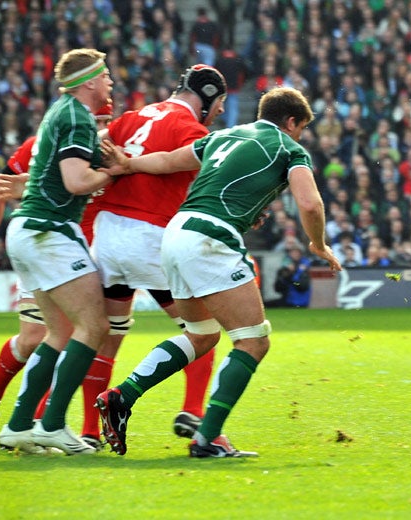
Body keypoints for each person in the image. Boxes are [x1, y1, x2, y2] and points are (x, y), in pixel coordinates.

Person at [96, 86, 342, 458]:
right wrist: (319, 244)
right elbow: (309, 202)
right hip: (210, 238)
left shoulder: (222, 135)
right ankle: (207, 437)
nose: (300, 135)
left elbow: (167, 162)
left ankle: (121, 395)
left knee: (201, 334)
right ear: (292, 122)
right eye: (301, 128)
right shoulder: (289, 149)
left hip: (177, 231)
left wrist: (128, 164)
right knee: (253, 340)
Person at [85, 64, 230, 445]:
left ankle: (88, 432)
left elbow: (95, 153)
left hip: (108, 235)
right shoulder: (191, 131)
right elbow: (211, 185)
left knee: (109, 337)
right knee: (203, 330)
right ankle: (194, 412)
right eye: (220, 104)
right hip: (151, 237)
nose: (220, 113)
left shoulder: (131, 118)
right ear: (210, 96)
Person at [0, 48, 114, 455]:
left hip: (29, 230)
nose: (111, 83)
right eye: (106, 76)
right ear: (89, 81)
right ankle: (51, 424)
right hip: (50, 231)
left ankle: (17, 424)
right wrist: (112, 171)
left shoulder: (60, 111)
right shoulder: (79, 117)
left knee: (60, 331)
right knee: (95, 327)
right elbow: (77, 181)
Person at [266, 243, 312, 308]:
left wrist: (292, 277)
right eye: (292, 252)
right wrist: (285, 276)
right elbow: (277, 288)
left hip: (300, 303)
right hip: (287, 300)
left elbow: (301, 286)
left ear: (300, 254)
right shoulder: (284, 269)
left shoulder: (304, 270)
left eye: (296, 252)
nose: (294, 254)